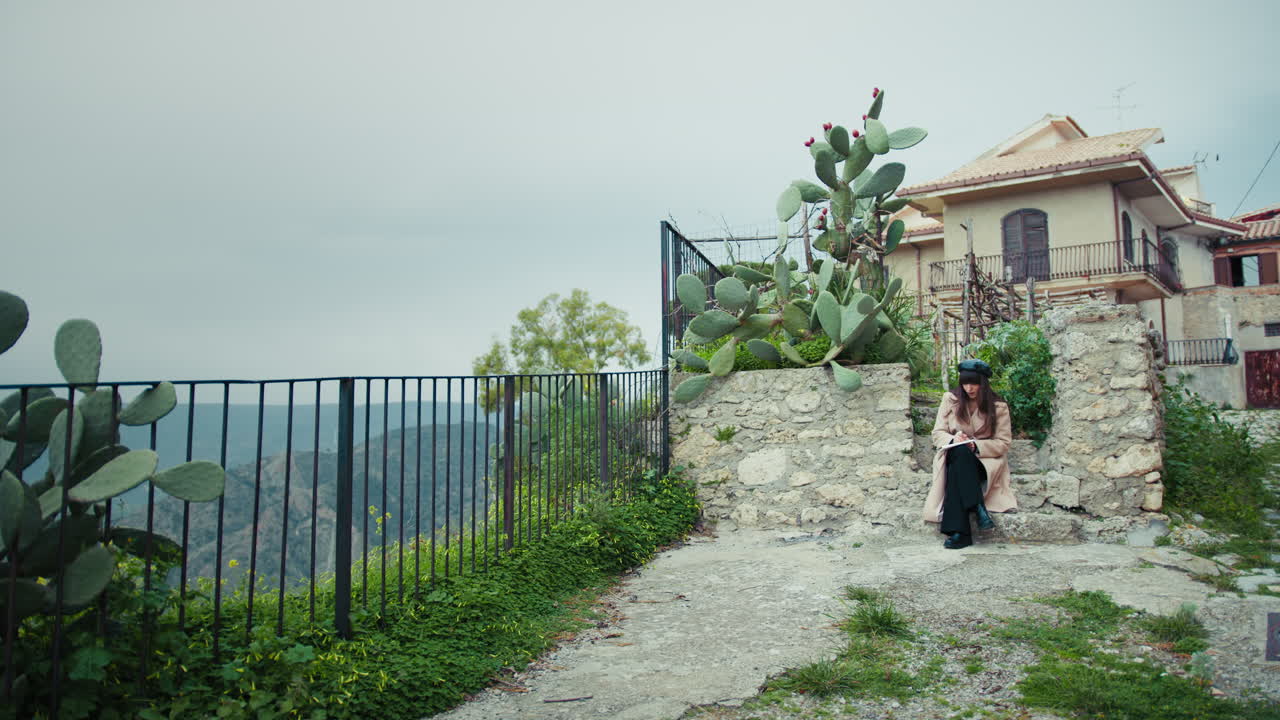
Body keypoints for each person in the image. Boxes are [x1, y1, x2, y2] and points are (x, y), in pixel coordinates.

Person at [921, 359, 1015, 549]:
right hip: (954, 454)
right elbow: (937, 432)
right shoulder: (950, 399)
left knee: (960, 462)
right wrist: (955, 439)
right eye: (965, 383)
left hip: (983, 462)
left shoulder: (998, 406)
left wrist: (975, 446)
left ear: (983, 383)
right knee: (959, 452)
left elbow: (1004, 443)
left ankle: (960, 533)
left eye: (974, 383)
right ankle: (977, 507)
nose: (969, 388)